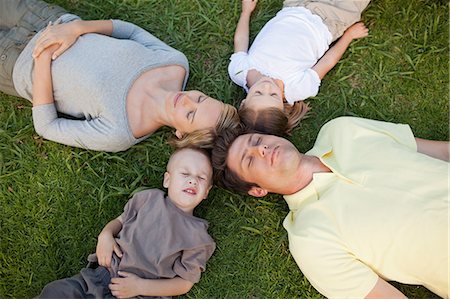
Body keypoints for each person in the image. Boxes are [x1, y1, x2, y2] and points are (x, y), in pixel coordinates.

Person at [211, 116, 449, 298]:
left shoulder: (341, 130)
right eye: (250, 159)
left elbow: (441, 151)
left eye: (257, 141)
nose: (261, 149)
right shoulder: (309, 237)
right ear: (257, 190)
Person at [0, 0, 238, 152]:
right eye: (200, 99)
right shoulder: (175, 63)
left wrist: (43, 56)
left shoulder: (120, 133)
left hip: (16, 64)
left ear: (182, 134)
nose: (186, 100)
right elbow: (130, 31)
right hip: (47, 19)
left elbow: (48, 127)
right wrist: (76, 29)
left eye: (190, 114)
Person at [36, 147, 216, 298]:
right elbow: (120, 221)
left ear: (206, 192)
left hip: (138, 294)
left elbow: (185, 283)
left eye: (201, 178)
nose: (192, 180)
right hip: (101, 276)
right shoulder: (148, 199)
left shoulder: (198, 236)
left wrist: (140, 287)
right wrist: (105, 235)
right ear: (167, 180)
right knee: (57, 292)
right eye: (185, 173)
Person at [229, 0, 370, 135]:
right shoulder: (296, 88)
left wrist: (246, 12)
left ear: (243, 103)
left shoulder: (240, 71)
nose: (267, 86)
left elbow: (240, 40)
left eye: (258, 93)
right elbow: (328, 61)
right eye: (273, 95)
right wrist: (349, 35)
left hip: (293, 7)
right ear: (283, 107)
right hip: (328, 21)